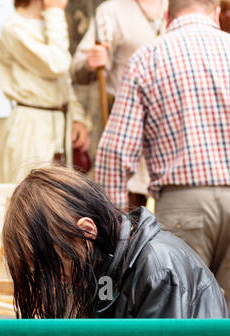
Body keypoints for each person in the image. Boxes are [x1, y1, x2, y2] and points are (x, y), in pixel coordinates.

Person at [96, 0, 230, 317]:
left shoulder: (147, 59)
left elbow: (115, 150)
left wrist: (117, 226)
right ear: (215, 11)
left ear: (167, 15)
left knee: (182, 313)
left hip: (182, 204)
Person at [4, 165, 227, 319]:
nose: (46, 274)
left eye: (47, 260)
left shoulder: (158, 268)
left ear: (86, 231)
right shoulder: (102, 263)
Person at [71, 0, 170, 208]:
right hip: (129, 122)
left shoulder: (179, 6)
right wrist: (90, 62)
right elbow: (78, 69)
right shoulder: (111, 11)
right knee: (130, 205)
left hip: (171, 123)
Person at [0, 0, 90, 185]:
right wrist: (55, 12)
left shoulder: (49, 23)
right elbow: (57, 64)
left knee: (62, 198)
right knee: (30, 194)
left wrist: (77, 119)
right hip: (31, 125)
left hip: (60, 120)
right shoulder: (14, 28)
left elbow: (62, 80)